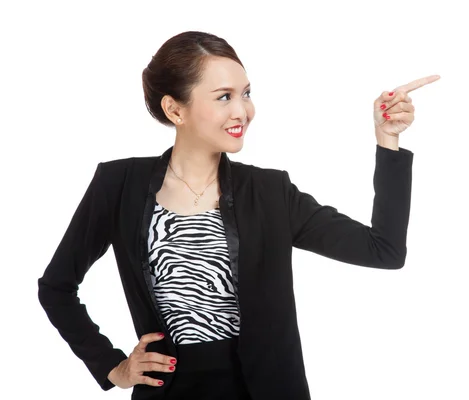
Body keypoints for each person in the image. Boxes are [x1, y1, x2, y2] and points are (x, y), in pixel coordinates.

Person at [37, 30, 440, 400]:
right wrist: (113, 367)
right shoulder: (119, 184)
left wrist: (388, 141)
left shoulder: (269, 192)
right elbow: (56, 287)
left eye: (246, 93)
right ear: (175, 110)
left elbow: (383, 250)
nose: (243, 111)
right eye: (224, 96)